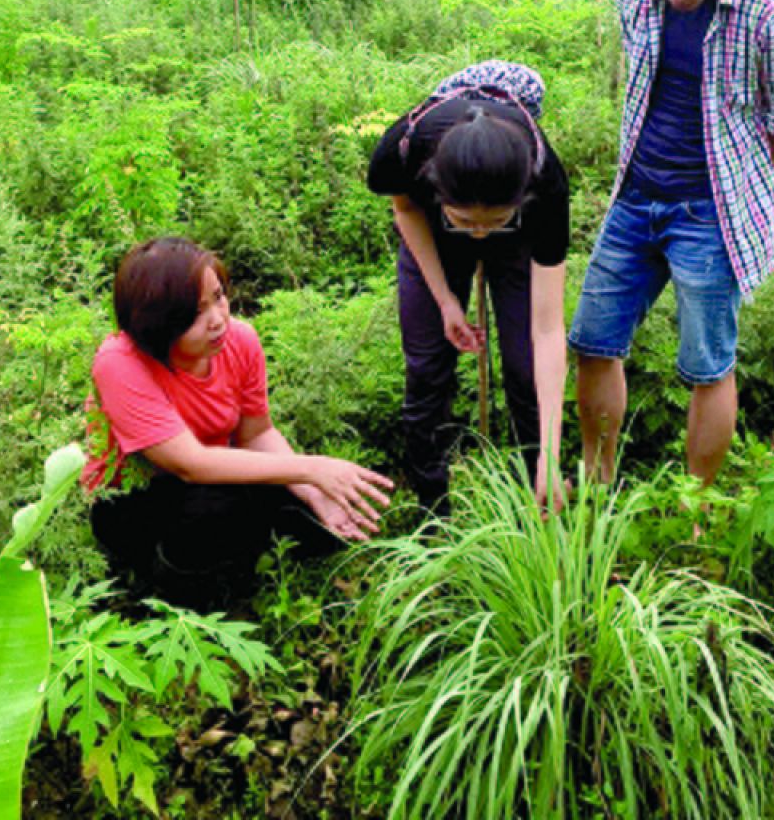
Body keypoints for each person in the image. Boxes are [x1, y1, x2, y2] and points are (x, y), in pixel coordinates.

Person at [568, 0, 774, 490]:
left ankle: (696, 505)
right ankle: (595, 481)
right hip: (634, 196)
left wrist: (725, 181)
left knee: (708, 366)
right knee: (594, 341)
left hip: (711, 211)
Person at [82, 237, 393, 607]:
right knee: (217, 510)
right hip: (133, 496)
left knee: (317, 522)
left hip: (215, 474)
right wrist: (311, 468)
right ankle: (167, 589)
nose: (218, 319)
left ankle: (239, 555)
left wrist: (313, 490)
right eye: (196, 313)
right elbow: (188, 464)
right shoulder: (120, 361)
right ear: (158, 323)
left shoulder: (240, 340)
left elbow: (257, 433)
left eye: (219, 297)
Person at [366, 61, 570, 514]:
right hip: (433, 230)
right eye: (467, 223)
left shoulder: (546, 182)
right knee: (426, 365)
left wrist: (554, 456)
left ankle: (538, 490)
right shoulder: (403, 150)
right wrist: (445, 301)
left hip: (519, 237)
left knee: (525, 365)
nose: (479, 235)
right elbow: (406, 211)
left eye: (492, 222)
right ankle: (431, 508)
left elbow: (549, 330)